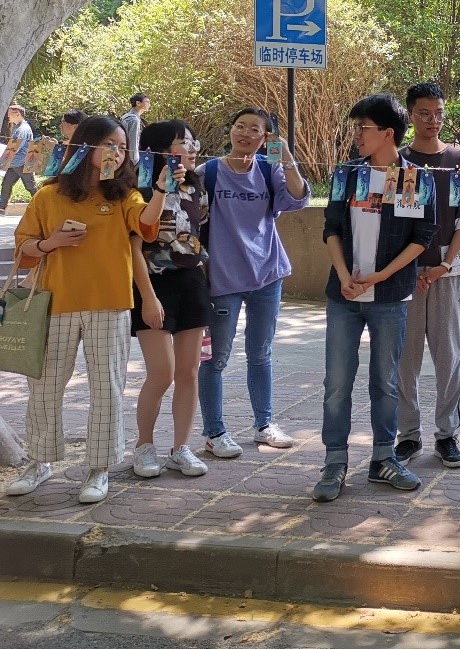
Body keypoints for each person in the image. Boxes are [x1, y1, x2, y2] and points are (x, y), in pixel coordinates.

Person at [5, 116, 166, 503]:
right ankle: (39, 461)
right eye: (110, 144)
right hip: (54, 303)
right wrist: (52, 242)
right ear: (85, 145)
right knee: (44, 387)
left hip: (110, 304)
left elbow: (146, 223)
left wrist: (161, 189)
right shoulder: (48, 195)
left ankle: (100, 468)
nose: (117, 152)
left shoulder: (124, 194)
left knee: (107, 388)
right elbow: (23, 248)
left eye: (122, 146)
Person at [312, 94, 438, 502]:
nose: (356, 135)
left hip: (390, 297)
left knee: (385, 383)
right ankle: (334, 462)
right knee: (336, 383)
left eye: (362, 128)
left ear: (387, 133)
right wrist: (345, 276)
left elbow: (422, 237)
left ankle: (384, 458)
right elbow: (331, 228)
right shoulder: (347, 174)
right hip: (344, 296)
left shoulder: (414, 179)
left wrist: (382, 275)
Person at [197, 107, 310, 459]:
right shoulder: (208, 172)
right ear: (231, 130)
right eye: (240, 126)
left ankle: (264, 424)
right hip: (223, 278)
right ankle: (214, 432)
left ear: (265, 138)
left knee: (261, 354)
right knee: (215, 358)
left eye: (255, 129)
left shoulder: (268, 169)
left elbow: (298, 197)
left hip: (267, 275)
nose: (245, 133)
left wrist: (285, 155)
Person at [394, 81, 460, 469]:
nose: (433, 120)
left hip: (449, 272)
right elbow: (392, 220)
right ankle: (407, 434)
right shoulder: (398, 160)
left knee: (449, 355)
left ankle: (447, 434)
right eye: (424, 113)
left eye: (439, 114)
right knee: (405, 358)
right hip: (404, 273)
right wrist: (409, 266)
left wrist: (445, 264)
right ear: (410, 115)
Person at [129, 120, 211, 480]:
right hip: (152, 285)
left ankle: (181, 449)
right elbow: (133, 247)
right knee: (161, 373)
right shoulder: (139, 188)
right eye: (183, 142)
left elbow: (198, 234)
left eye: (193, 142)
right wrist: (147, 297)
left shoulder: (196, 187)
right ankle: (144, 445)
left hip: (191, 283)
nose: (191, 149)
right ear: (161, 150)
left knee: (188, 372)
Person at [0, 103, 37, 214]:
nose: (8, 116)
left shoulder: (22, 129)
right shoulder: (18, 127)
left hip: (22, 163)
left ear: (18, 114)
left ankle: (43, 205)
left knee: (31, 187)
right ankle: (1, 207)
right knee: (6, 184)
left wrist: (3, 158)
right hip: (15, 163)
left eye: (10, 114)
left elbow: (14, 147)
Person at [120, 93, 151, 165]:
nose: (149, 104)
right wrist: (135, 160)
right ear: (138, 103)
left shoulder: (128, 117)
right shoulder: (133, 120)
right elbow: (133, 141)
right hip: (130, 159)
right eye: (147, 102)